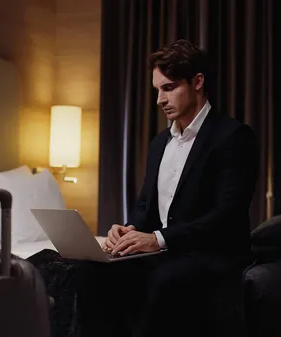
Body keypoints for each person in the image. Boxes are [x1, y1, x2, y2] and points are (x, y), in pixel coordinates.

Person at [74, 39, 258, 337]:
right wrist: (129, 229)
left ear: (197, 82)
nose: (160, 99)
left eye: (169, 88)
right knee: (90, 270)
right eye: (157, 89)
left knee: (165, 280)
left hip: (211, 254)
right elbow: (146, 204)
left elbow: (226, 216)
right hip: (167, 252)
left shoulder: (233, 137)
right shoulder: (160, 142)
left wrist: (157, 239)